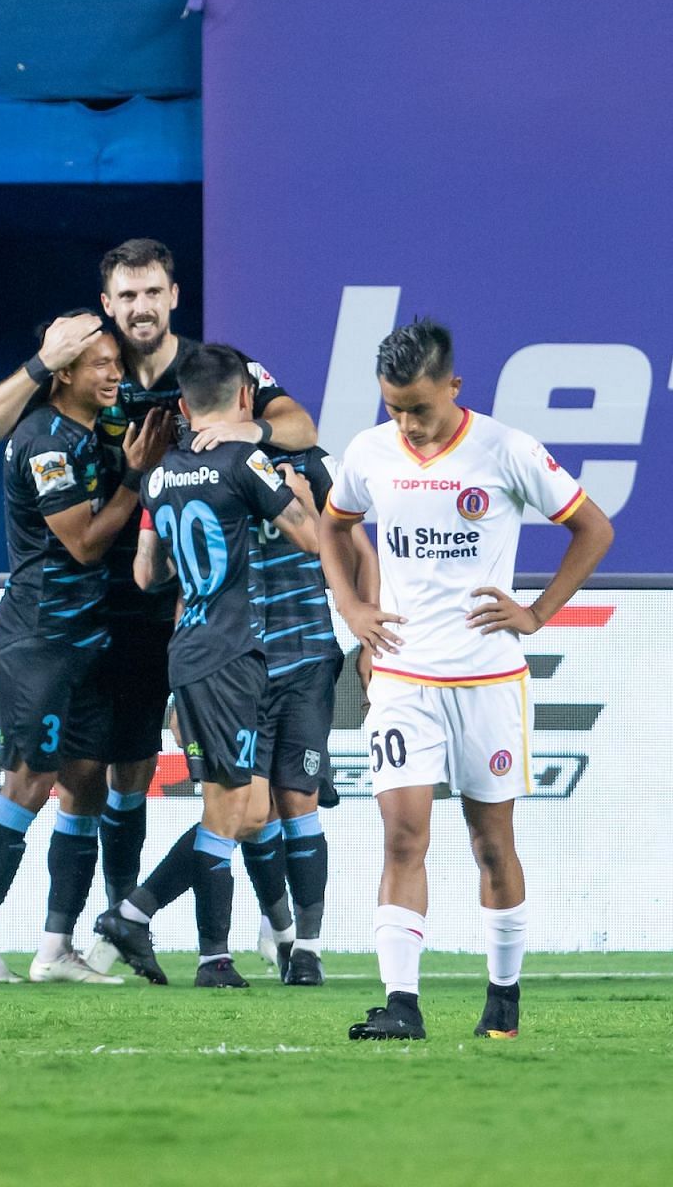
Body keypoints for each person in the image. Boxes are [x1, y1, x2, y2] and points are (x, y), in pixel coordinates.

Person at [0, 240, 319, 975]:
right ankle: (102, 929)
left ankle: (268, 923)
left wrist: (245, 429)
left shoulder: (214, 371)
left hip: (183, 611)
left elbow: (302, 429)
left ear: (174, 296)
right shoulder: (90, 367)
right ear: (108, 306)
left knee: (212, 778)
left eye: (151, 292)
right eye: (126, 297)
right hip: (106, 610)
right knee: (99, 778)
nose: (140, 308)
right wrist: (39, 363)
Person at [320, 319, 612, 1041]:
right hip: (400, 678)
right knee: (402, 836)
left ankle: (503, 1000)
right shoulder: (368, 453)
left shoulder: (505, 450)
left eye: (419, 407)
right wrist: (352, 606)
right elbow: (332, 527)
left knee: (490, 842)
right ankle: (402, 1005)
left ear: (454, 386)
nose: (408, 424)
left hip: (488, 683)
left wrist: (538, 612)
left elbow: (594, 529)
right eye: (394, 408)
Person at [91, 345, 321, 988]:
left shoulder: (159, 473)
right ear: (247, 399)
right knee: (230, 811)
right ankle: (210, 958)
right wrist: (298, 493)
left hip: (188, 652)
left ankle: (136, 912)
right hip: (230, 653)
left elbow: (146, 574)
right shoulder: (244, 460)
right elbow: (308, 535)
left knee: (246, 812)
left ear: (184, 406)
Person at [0, 329, 167, 985]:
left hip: (84, 644)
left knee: (86, 785)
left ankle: (54, 947)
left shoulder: (91, 430)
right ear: (64, 374)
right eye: (100, 364)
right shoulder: (46, 439)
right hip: (37, 640)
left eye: (117, 363)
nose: (113, 374)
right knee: (29, 782)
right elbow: (86, 544)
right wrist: (135, 475)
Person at [241, 443, 377, 986]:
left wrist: (368, 641)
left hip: (307, 660)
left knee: (298, 800)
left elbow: (361, 555)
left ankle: (310, 948)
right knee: (255, 813)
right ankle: (279, 930)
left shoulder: (310, 464)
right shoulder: (210, 469)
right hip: (239, 666)